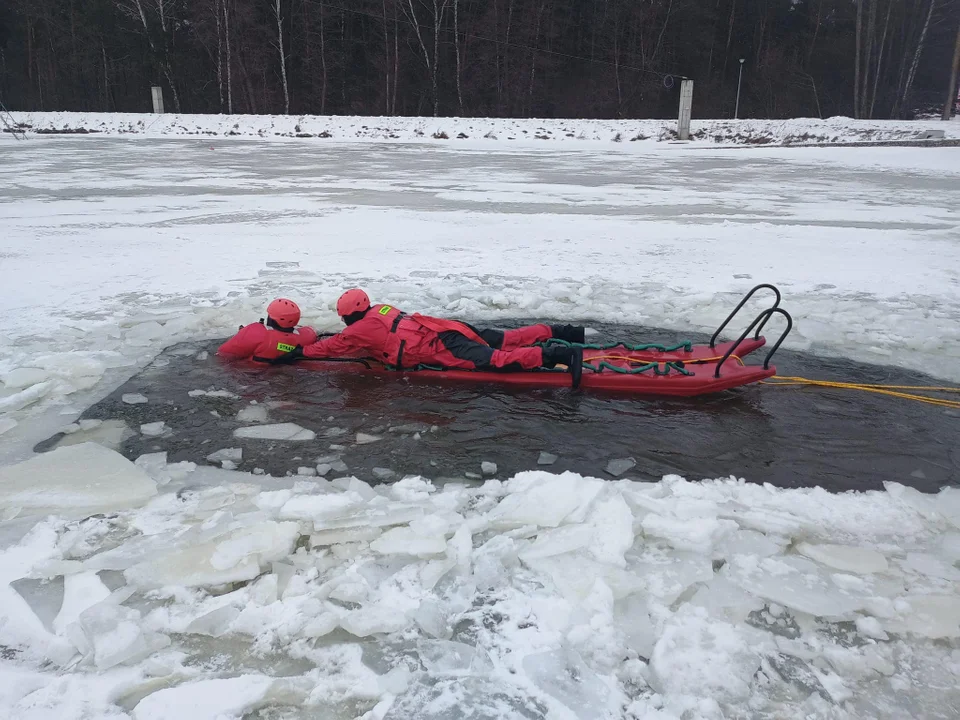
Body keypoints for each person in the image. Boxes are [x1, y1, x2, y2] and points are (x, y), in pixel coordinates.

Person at [278, 288, 584, 373]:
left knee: (496, 360)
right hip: (447, 327)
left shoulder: (360, 329)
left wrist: (300, 351)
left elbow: (334, 347)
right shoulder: (380, 310)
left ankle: (558, 354)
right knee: (507, 338)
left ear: (351, 316)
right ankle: (567, 332)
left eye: (345, 319)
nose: (344, 324)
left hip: (443, 346)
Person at [217, 298, 318, 363]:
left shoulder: (255, 332)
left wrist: (243, 333)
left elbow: (224, 353)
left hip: (249, 374)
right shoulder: (305, 336)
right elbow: (311, 331)